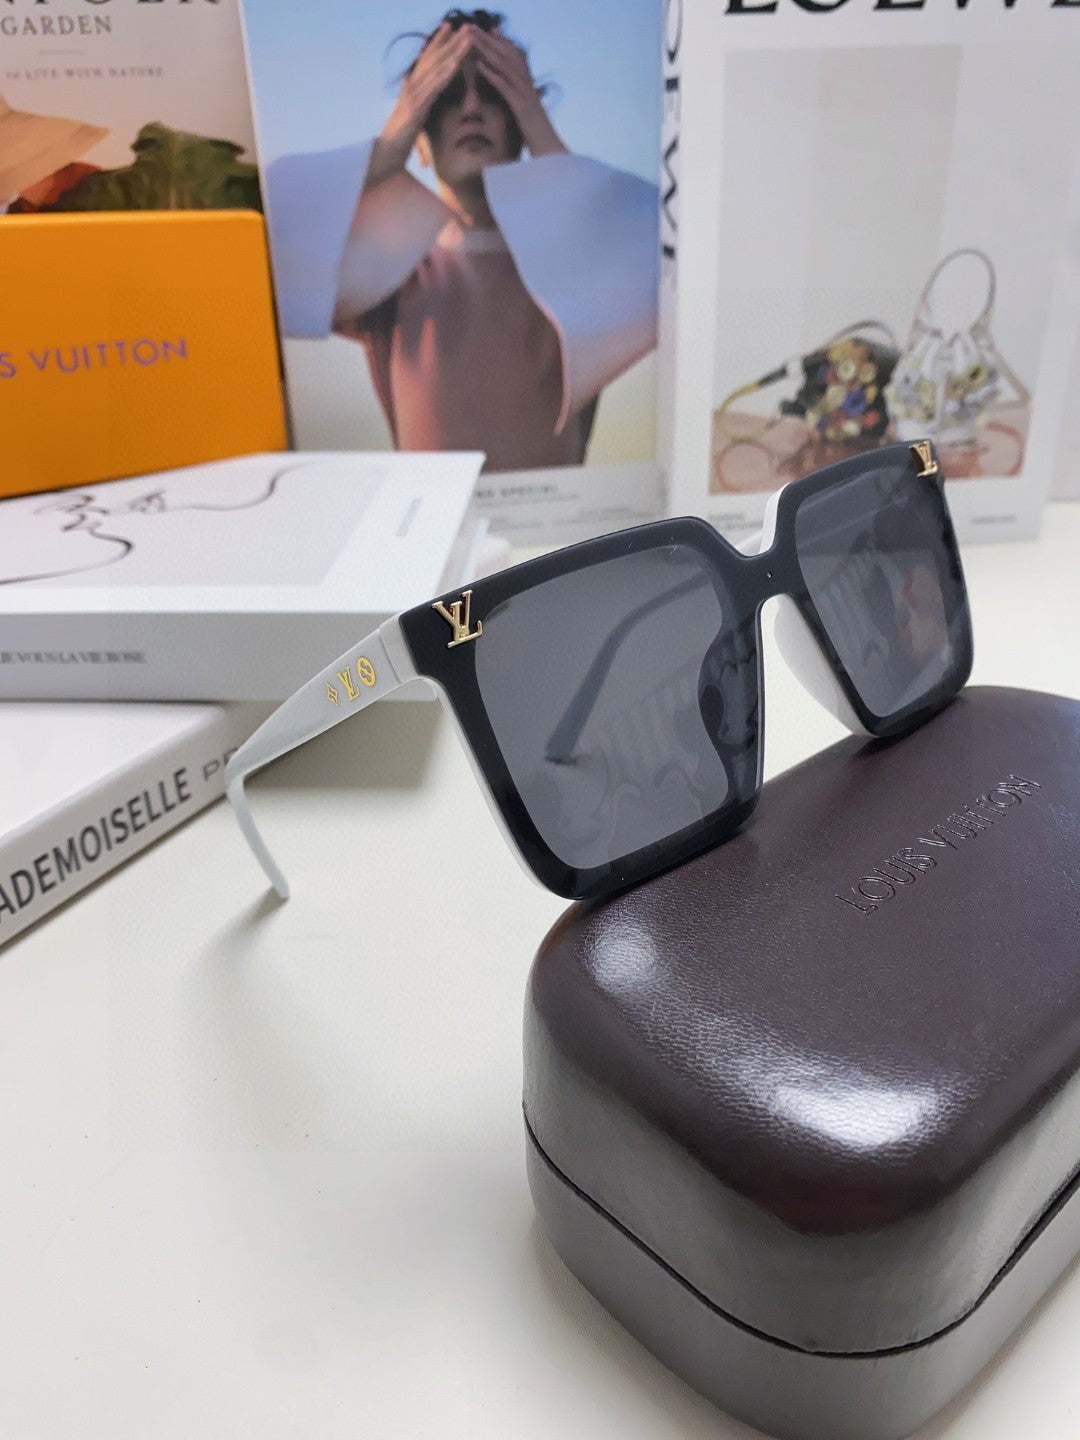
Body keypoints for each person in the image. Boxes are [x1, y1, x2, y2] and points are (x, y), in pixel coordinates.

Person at [265, 9, 659, 472]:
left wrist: (539, 129)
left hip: (556, 517)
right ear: (421, 140)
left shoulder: (573, 267)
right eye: (446, 96)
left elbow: (664, 248)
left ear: (520, 122)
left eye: (494, 92)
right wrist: (389, 146)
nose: (471, 108)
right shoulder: (394, 274)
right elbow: (268, 255)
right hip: (433, 516)